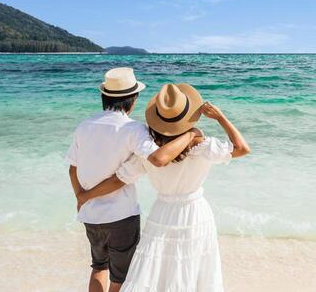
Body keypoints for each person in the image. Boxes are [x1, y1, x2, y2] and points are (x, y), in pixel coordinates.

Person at [78, 83, 250, 292]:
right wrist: (220, 117)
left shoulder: (147, 153)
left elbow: (118, 180)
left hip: (162, 213)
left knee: (158, 269)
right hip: (195, 212)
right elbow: (242, 148)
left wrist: (86, 195)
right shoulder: (203, 146)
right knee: (193, 267)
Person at [66, 68, 201, 292]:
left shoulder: (84, 126)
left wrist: (80, 196)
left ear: (104, 96)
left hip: (90, 214)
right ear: (133, 99)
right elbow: (158, 160)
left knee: (99, 267)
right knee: (121, 279)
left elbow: (73, 168)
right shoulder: (133, 129)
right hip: (121, 216)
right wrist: (190, 134)